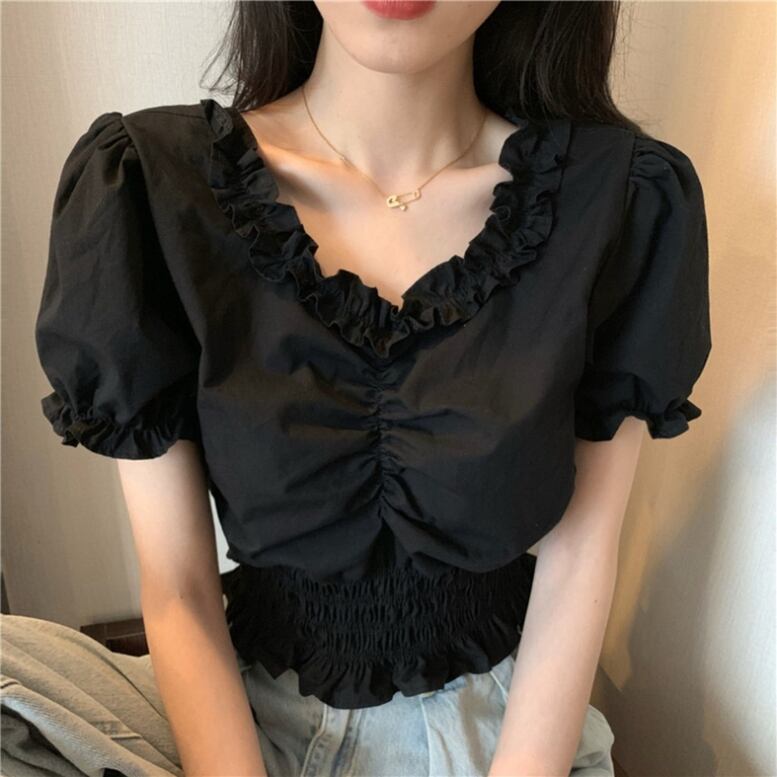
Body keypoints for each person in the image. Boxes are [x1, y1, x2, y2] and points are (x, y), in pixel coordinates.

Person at [5, 1, 712, 775]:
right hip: (233, 721)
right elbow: (178, 586)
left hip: (504, 732)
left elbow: (577, 563)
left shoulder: (618, 200)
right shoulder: (147, 184)